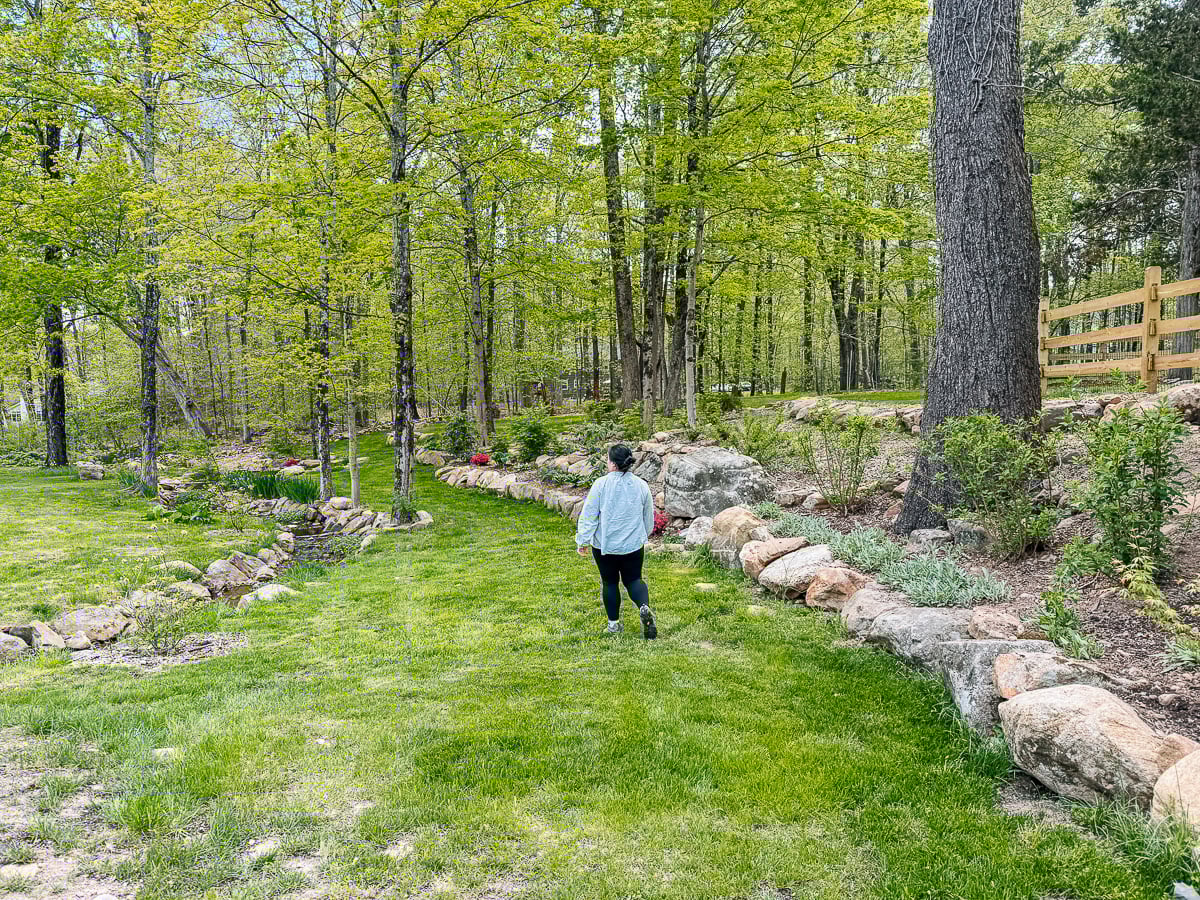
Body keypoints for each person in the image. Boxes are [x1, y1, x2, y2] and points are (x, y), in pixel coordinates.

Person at [575, 444, 658, 639]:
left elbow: (589, 514)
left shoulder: (601, 484)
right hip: (632, 545)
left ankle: (613, 625)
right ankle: (644, 607)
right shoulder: (640, 484)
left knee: (610, 582)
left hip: (605, 545)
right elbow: (648, 515)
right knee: (634, 579)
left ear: (612, 463)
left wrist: (583, 540)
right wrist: (642, 535)